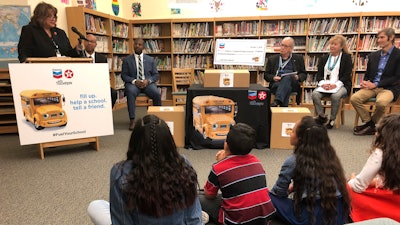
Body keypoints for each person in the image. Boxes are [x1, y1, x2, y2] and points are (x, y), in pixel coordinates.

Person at [87, 114, 203, 225]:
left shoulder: (120, 172)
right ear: (169, 142)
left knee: (95, 206)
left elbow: (122, 221)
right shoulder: (183, 163)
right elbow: (193, 218)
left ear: (134, 142)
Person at [269, 115, 350, 225]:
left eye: (292, 131)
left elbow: (278, 193)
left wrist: (289, 190)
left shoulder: (293, 161)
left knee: (266, 197)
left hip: (313, 217)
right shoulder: (331, 156)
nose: (290, 134)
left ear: (300, 138)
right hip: (338, 213)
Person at [199, 123, 276, 225]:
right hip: (264, 219)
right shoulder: (256, 161)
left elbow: (209, 195)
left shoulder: (219, 167)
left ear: (226, 144)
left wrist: (220, 162)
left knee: (198, 197)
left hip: (236, 220)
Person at [347, 114, 400, 222]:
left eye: (378, 131)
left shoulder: (381, 153)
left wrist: (350, 181)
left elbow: (358, 186)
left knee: (347, 188)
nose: (376, 134)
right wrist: (377, 181)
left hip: (391, 196)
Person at [351, 27, 400, 136]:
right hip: (372, 87)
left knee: (381, 102)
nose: (378, 40)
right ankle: (370, 124)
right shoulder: (373, 56)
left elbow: (397, 77)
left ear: (391, 37)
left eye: (382, 37)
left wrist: (376, 84)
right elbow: (368, 74)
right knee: (354, 98)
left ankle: (370, 125)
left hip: (389, 88)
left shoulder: (398, 55)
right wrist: (365, 83)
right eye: (378, 38)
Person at [312, 35, 353, 129]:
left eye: (335, 44)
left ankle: (332, 119)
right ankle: (321, 117)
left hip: (341, 85)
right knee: (315, 94)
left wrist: (335, 85)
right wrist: (323, 84)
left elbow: (346, 76)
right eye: (331, 44)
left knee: (335, 96)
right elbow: (319, 75)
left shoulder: (346, 58)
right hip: (325, 85)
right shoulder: (324, 58)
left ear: (341, 46)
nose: (332, 46)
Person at [121, 38, 161, 130]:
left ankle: (157, 117)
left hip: (147, 83)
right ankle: (132, 120)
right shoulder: (127, 60)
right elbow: (124, 76)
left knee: (156, 93)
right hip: (134, 84)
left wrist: (148, 81)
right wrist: (134, 81)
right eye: (135, 44)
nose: (137, 46)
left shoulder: (150, 60)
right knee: (130, 91)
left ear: (143, 47)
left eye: (139, 44)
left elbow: (156, 75)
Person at [264, 37, 307, 107]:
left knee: (287, 78)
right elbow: (266, 75)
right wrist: (274, 78)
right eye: (282, 45)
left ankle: (277, 101)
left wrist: (298, 77)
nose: (282, 48)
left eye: (285, 46)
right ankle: (282, 107)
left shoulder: (298, 58)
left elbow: (304, 74)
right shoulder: (272, 59)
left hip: (293, 83)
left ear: (291, 48)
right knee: (286, 88)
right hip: (277, 83)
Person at [83, 34, 118, 109]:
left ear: (95, 44)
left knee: (113, 93)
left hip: (98, 84)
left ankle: (107, 112)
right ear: (83, 42)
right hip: (83, 85)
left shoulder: (102, 58)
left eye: (92, 41)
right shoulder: (79, 56)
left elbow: (105, 75)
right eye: (87, 41)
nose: (89, 43)